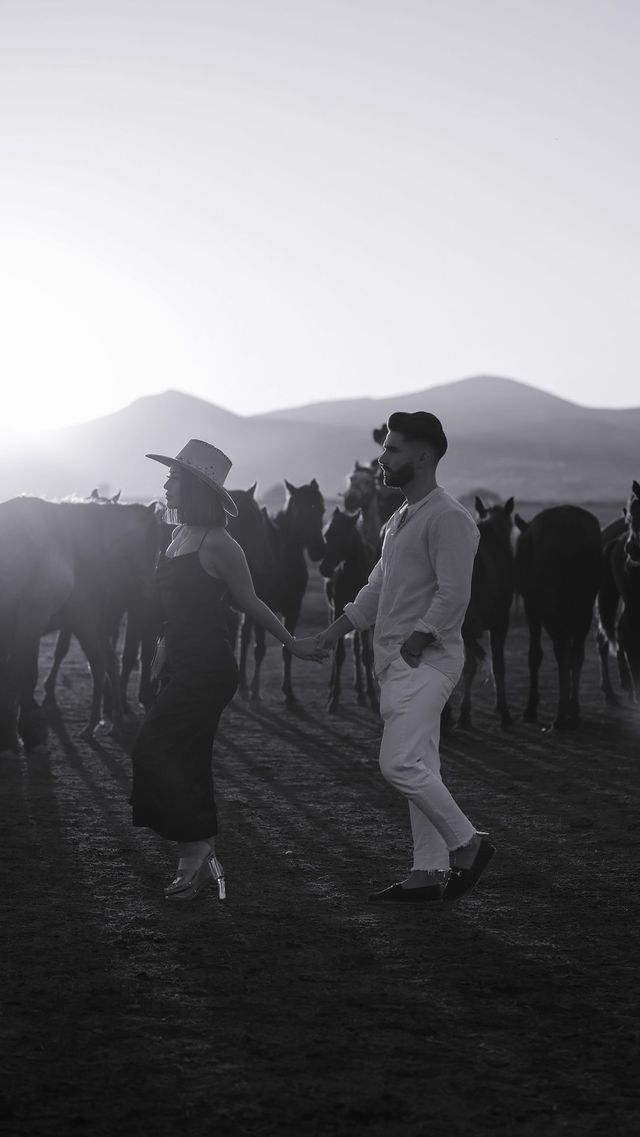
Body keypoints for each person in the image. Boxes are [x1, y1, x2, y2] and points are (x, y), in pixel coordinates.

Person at [309, 411, 495, 904]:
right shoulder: (399, 520)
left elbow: (454, 594)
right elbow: (376, 588)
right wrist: (334, 632)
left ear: (423, 456)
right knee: (420, 766)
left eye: (392, 450)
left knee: (396, 765)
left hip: (425, 662)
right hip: (395, 662)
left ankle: (469, 844)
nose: (382, 458)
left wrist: (417, 641)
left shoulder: (449, 517)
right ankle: (427, 873)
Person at [130, 439, 323, 902]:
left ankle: (196, 848)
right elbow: (172, 607)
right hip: (178, 661)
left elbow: (252, 602)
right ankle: (194, 860)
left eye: (173, 478)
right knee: (188, 758)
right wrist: (161, 648)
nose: (165, 483)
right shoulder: (176, 535)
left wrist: (292, 642)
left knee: (152, 749)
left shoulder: (220, 543)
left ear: (193, 487)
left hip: (208, 668)